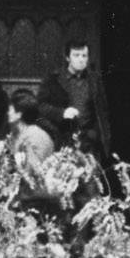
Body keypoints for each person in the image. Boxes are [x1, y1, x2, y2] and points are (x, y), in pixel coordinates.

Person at [35, 39, 114, 181]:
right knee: (64, 184)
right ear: (67, 58)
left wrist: (95, 135)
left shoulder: (94, 80)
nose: (81, 60)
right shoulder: (53, 80)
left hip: (88, 144)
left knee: (90, 185)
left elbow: (103, 112)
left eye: (84, 56)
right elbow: (40, 106)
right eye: (76, 55)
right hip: (62, 141)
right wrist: (61, 113)